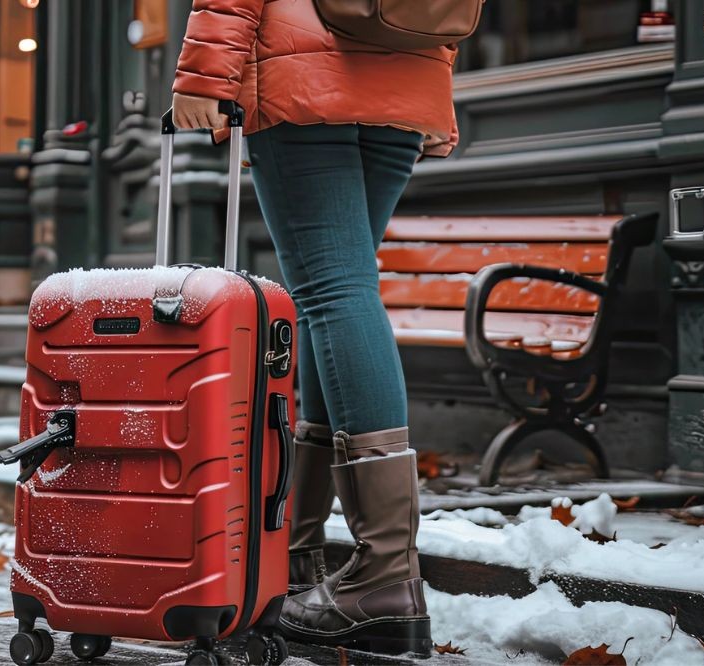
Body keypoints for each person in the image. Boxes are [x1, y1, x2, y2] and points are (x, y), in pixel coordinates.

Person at [171, 0, 458, 655]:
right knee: (336, 294)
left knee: (335, 292)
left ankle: (382, 574)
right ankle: (297, 556)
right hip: (403, 72)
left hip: (302, 74)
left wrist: (202, 78)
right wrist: (438, 84)